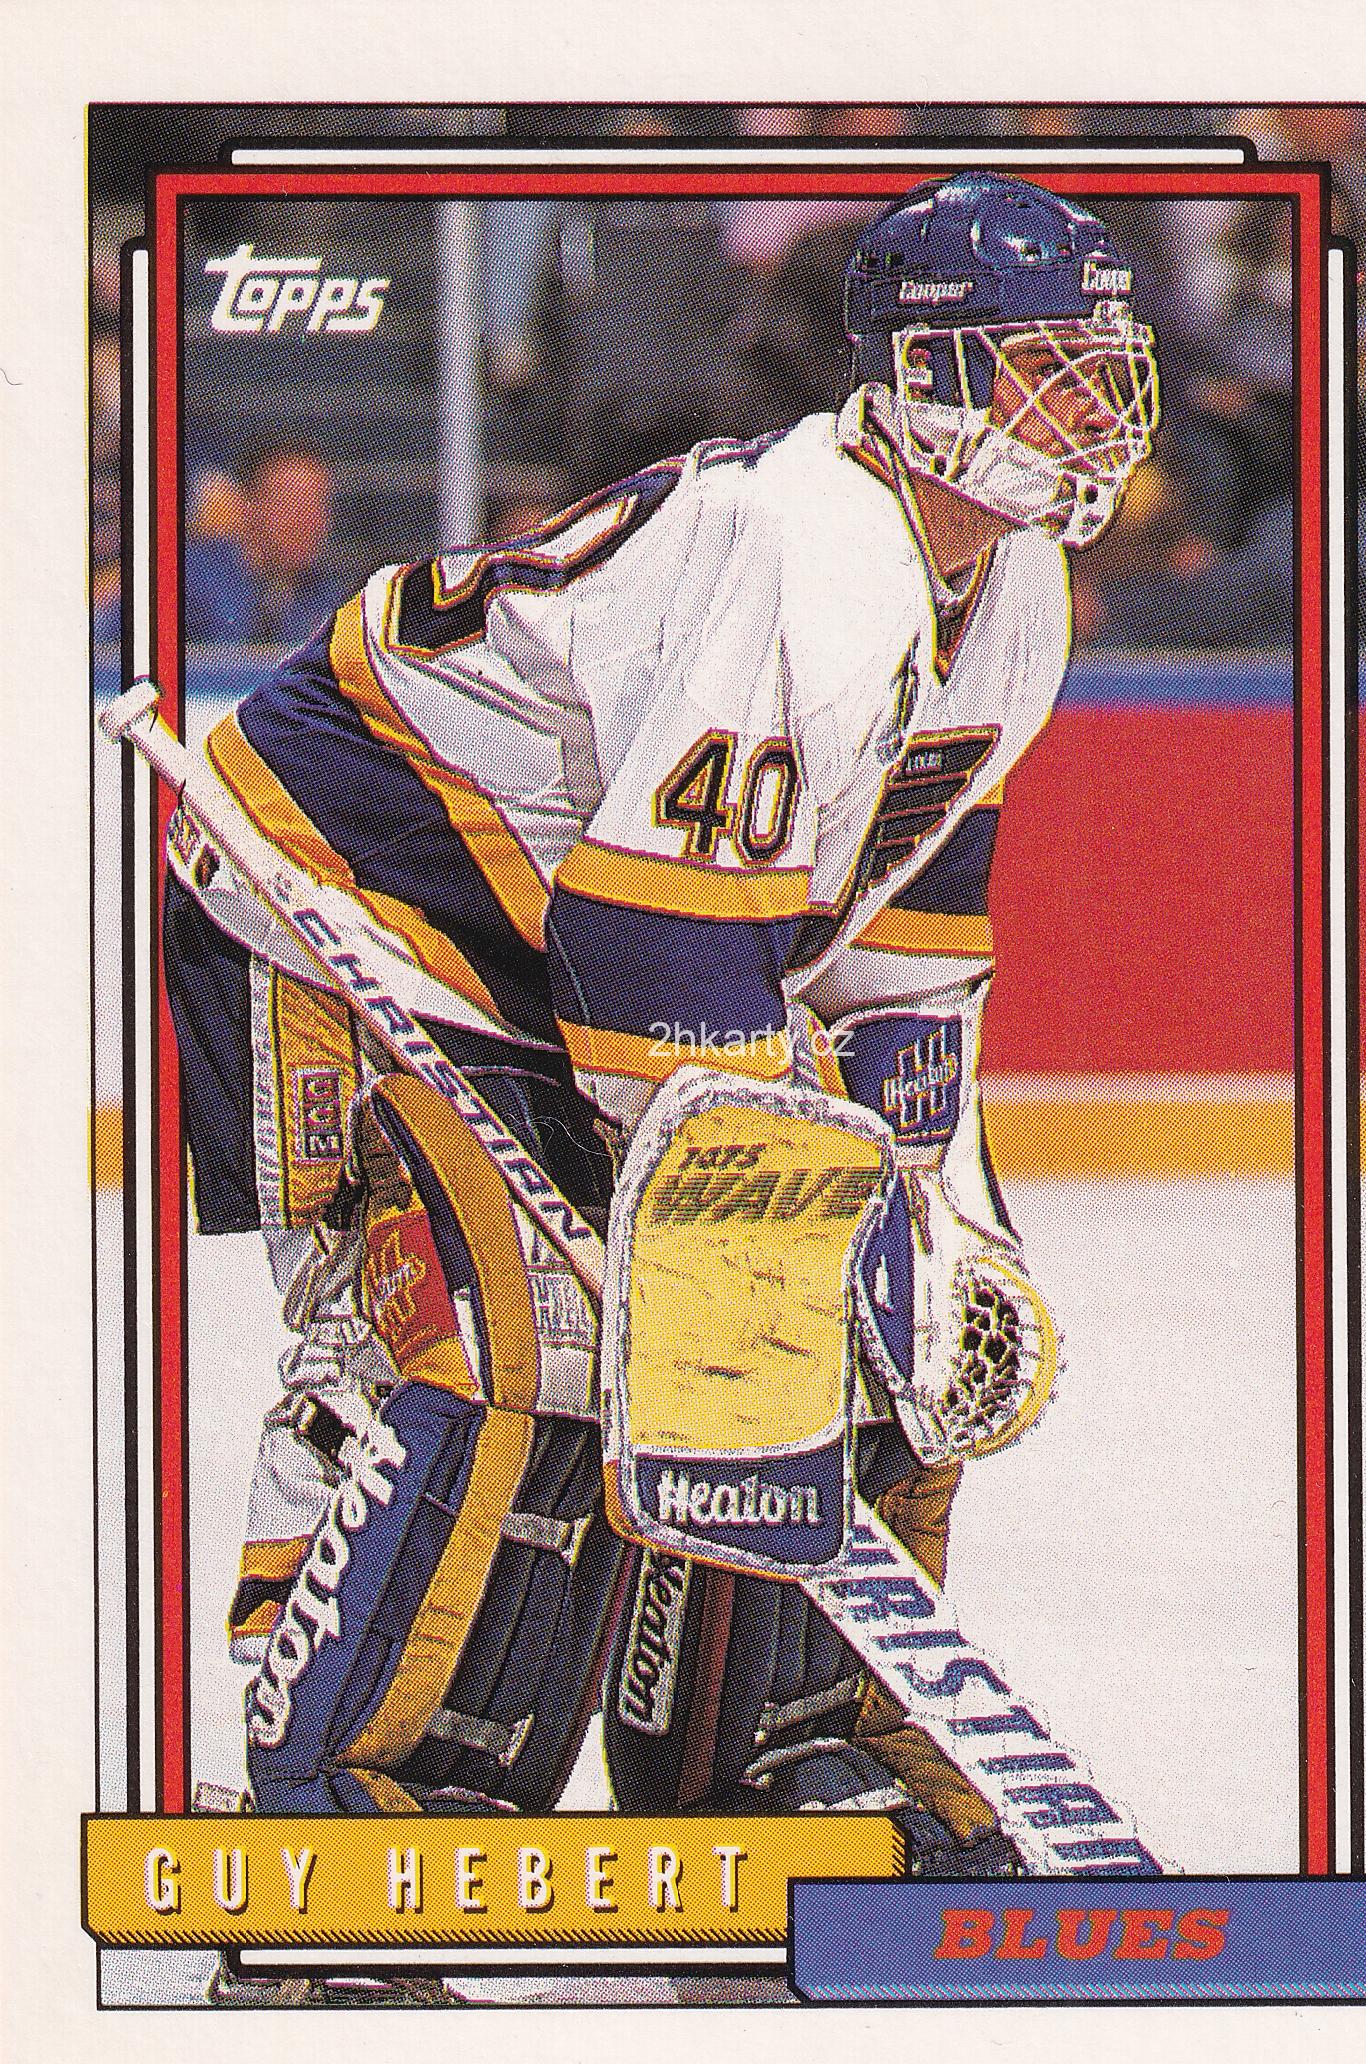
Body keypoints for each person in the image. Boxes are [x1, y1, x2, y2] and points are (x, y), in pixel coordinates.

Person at [164, 173, 1157, 1864]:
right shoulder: (808, 543)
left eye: (1100, 366)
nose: (1093, 409)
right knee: (505, 1327)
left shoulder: (1018, 596)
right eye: (1044, 367)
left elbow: (899, 945)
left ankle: (761, 1755)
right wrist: (794, 1206)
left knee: (879, 1330)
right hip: (355, 875)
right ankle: (342, 1784)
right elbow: (649, 944)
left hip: (567, 920)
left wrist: (935, 1221)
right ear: (924, 374)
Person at [183, 443, 343, 646]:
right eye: (290, 504)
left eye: (318, 504)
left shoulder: (332, 600)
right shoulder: (188, 581)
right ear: (249, 506)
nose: (307, 521)